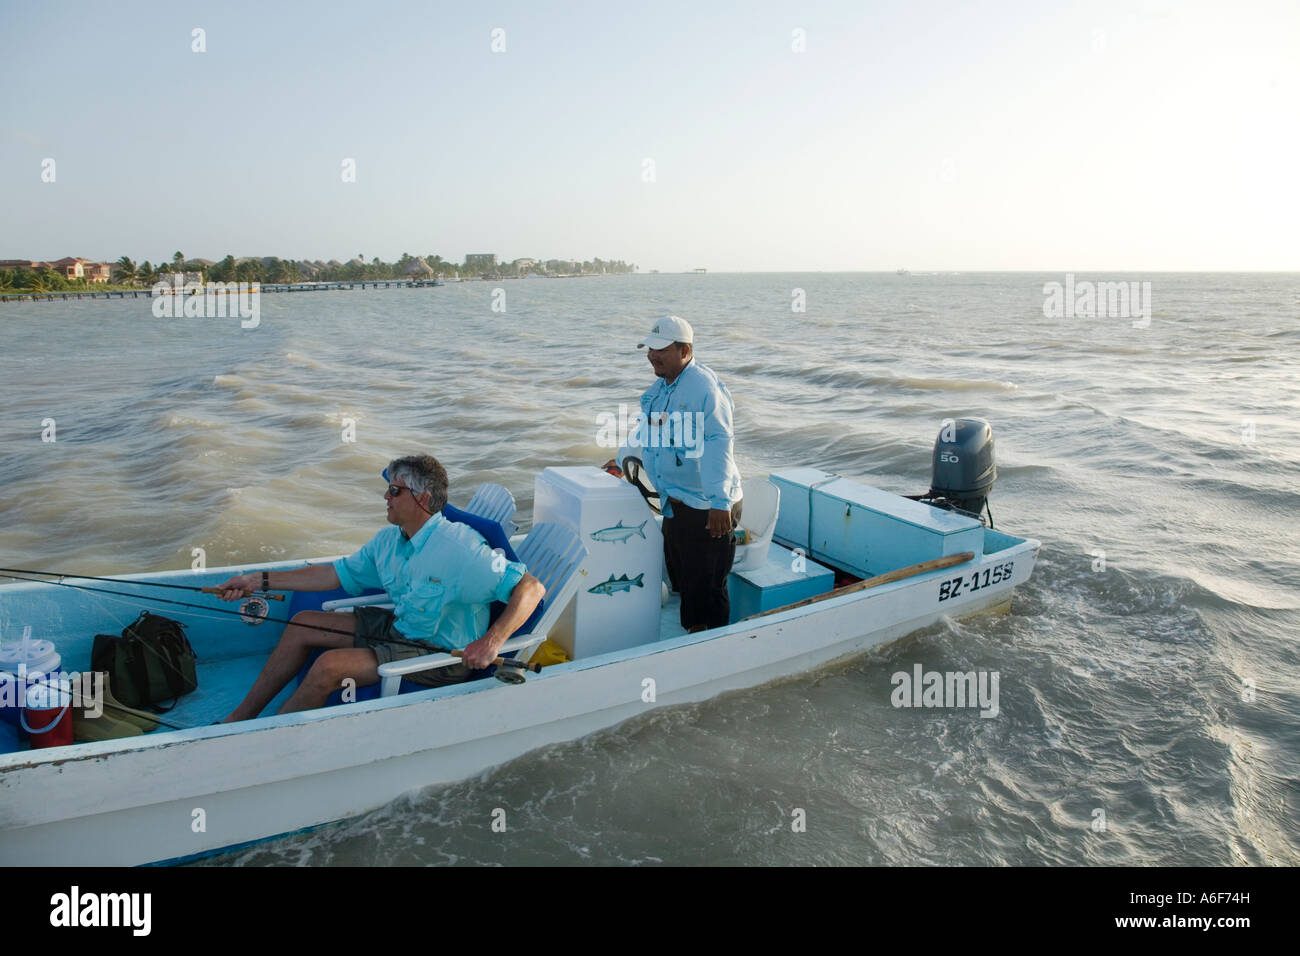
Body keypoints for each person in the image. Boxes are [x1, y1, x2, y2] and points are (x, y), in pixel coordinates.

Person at [215, 455, 545, 722]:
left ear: (422, 499)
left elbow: (531, 587)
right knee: (302, 623)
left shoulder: (460, 549)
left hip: (441, 656)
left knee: (330, 666)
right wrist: (257, 581)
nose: (386, 496)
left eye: (394, 490)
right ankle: (240, 718)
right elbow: (334, 575)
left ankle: (266, 740)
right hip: (401, 629)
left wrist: (491, 642)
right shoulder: (390, 540)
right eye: (388, 488)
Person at [605, 316, 743, 631]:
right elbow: (645, 435)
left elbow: (718, 442)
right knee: (681, 578)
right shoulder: (659, 389)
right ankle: (690, 631)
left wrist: (719, 502)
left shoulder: (704, 387)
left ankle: (708, 645)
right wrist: (617, 462)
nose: (652, 356)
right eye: (649, 349)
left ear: (684, 350)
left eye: (660, 349)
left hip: (709, 505)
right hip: (676, 502)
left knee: (706, 588)